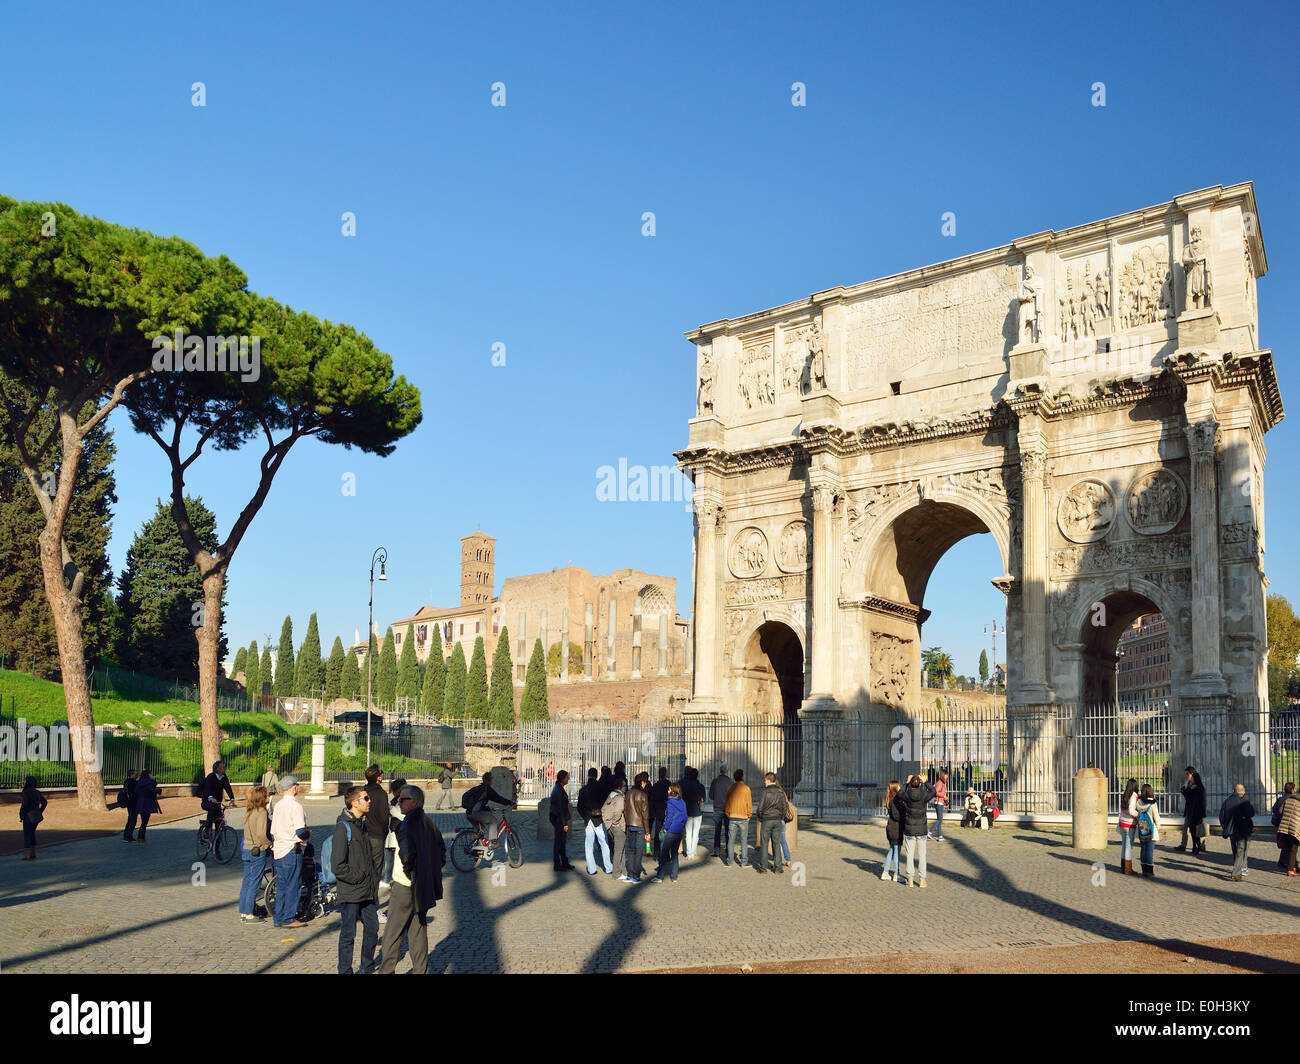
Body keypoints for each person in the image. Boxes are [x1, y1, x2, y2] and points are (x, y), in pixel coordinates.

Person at [378, 785, 446, 974]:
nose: (398, 802)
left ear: (414, 802)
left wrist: (412, 875)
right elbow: (441, 854)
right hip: (421, 886)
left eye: (402, 799)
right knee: (417, 933)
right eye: (398, 799)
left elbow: (407, 857)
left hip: (405, 886)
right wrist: (425, 875)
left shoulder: (407, 824)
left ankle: (386, 971)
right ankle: (420, 971)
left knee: (392, 933)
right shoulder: (429, 822)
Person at [333, 785, 381, 974]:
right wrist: (358, 877)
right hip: (351, 890)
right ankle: (345, 970)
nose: (370, 801)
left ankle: (367, 967)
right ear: (355, 803)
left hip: (367, 890)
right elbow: (338, 865)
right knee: (348, 934)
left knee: (372, 928)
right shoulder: (343, 828)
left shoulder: (363, 824)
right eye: (366, 798)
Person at [269, 775, 310, 928]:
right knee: (293, 885)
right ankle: (289, 918)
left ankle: (279, 917)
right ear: (293, 788)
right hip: (292, 849)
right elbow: (300, 831)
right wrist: (308, 834)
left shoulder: (278, 805)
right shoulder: (295, 806)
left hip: (279, 849)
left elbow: (273, 829)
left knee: (281, 886)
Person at [239, 785, 272, 922]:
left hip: (246, 849)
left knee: (247, 881)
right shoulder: (262, 812)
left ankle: (243, 910)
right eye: (266, 796)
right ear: (262, 798)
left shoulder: (250, 811)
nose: (268, 798)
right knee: (254, 882)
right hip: (257, 851)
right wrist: (269, 844)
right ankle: (249, 913)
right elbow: (261, 834)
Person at [900, 773, 935, 888]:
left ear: (911, 784)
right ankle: (922, 880)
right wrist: (926, 781)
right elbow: (934, 791)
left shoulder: (907, 794)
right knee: (922, 855)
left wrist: (906, 782)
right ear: (920, 784)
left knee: (909, 855)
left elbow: (899, 793)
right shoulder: (924, 794)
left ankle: (910, 879)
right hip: (921, 827)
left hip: (910, 827)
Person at [577, 768, 612, 875]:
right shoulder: (600, 788)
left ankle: (592, 869)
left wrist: (585, 816)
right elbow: (606, 803)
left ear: (588, 776)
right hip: (599, 819)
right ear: (596, 775)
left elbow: (579, 807)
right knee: (604, 843)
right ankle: (608, 867)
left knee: (588, 844)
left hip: (587, 819)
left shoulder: (583, 790)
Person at [462, 771, 514, 840]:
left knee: (480, 830)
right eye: (492, 779)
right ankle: (492, 841)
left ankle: (477, 847)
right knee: (493, 821)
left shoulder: (479, 788)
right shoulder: (487, 789)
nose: (493, 781)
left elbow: (478, 803)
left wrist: (487, 809)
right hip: (475, 813)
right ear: (489, 780)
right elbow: (498, 798)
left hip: (468, 814)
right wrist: (510, 802)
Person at [1220, 783, 1256, 882]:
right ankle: (1236, 873)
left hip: (1231, 830)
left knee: (1235, 851)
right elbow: (1251, 813)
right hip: (1241, 830)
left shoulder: (1227, 801)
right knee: (1240, 851)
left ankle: (1238, 871)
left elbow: (1221, 816)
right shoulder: (1244, 801)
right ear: (1243, 792)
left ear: (1233, 791)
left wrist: (1225, 827)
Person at [653, 783, 688, 883]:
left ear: (672, 791)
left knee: (663, 854)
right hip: (679, 831)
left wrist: (665, 828)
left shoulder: (670, 802)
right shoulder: (682, 802)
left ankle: (660, 877)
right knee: (675, 854)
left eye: (669, 789)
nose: (667, 791)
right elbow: (685, 817)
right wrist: (681, 825)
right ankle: (674, 876)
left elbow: (669, 818)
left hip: (671, 831)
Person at [755, 772, 787, 874]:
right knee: (776, 844)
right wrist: (780, 817)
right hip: (777, 820)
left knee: (764, 844)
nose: (764, 782)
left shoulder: (765, 792)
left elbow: (760, 808)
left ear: (769, 780)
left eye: (765, 780)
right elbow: (784, 808)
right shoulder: (780, 792)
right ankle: (778, 868)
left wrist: (761, 818)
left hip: (767, 820)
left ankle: (763, 868)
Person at [363, 765, 390, 885]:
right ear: (378, 778)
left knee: (363, 865)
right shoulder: (381, 794)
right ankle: (373, 898)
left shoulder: (362, 792)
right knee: (376, 868)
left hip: (362, 834)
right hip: (377, 834)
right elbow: (384, 818)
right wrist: (384, 833)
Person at [624, 772, 651, 881]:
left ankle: (630, 874)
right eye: (645, 782)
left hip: (630, 825)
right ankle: (636, 875)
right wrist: (647, 831)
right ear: (642, 782)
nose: (646, 784)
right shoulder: (643, 795)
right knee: (638, 851)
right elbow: (645, 815)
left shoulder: (628, 793)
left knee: (630, 850)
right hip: (640, 826)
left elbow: (625, 810)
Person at [724, 769, 752, 869]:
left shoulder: (730, 788)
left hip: (732, 816)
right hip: (743, 817)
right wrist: (749, 815)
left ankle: (730, 861)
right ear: (742, 776)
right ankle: (744, 862)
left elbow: (727, 803)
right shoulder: (746, 788)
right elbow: (749, 804)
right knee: (744, 840)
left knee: (731, 840)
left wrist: (728, 813)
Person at [603, 776, 630, 881]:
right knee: (619, 850)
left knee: (620, 849)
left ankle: (623, 871)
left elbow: (604, 809)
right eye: (624, 786)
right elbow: (618, 811)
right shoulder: (619, 797)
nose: (626, 787)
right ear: (620, 786)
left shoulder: (611, 795)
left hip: (610, 825)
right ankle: (616, 873)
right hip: (618, 826)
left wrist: (608, 823)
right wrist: (614, 822)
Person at [1177, 766, 1207, 855]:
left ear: (1192, 774)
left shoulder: (1199, 787)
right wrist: (1184, 792)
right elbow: (1188, 797)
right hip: (1189, 811)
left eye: (1187, 774)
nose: (1186, 776)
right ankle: (1186, 845)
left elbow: (1202, 801)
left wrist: (1203, 812)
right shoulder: (1189, 784)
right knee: (1188, 828)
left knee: (1198, 829)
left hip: (1197, 812)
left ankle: (1200, 845)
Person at [550, 769, 575, 871]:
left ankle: (563, 861)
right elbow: (561, 808)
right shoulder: (559, 790)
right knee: (559, 842)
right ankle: (557, 863)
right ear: (563, 778)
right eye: (567, 777)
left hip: (557, 818)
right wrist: (564, 823)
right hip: (559, 819)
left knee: (561, 841)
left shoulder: (558, 788)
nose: (568, 779)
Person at [1135, 783, 1162, 877]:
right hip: (1151, 831)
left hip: (1142, 830)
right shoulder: (1153, 803)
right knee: (1150, 851)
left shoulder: (1138, 802)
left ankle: (1144, 869)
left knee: (1143, 849)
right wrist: (1158, 827)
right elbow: (1157, 818)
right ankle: (1149, 871)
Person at [199, 760, 234, 830]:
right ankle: (206, 830)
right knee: (212, 809)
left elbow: (228, 788)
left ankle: (217, 841)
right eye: (223, 767)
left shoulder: (224, 777)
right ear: (218, 769)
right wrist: (211, 798)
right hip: (207, 802)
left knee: (219, 822)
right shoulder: (211, 777)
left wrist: (232, 799)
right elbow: (207, 789)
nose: (225, 769)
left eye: (225, 767)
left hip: (217, 803)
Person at [681, 767, 707, 859]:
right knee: (695, 833)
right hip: (697, 812)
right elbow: (703, 799)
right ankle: (693, 852)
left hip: (687, 811)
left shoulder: (685, 786)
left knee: (688, 833)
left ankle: (688, 853)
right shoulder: (700, 786)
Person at [18, 776, 46, 860]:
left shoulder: (26, 792)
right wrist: (39, 811)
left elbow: (24, 805)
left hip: (28, 815)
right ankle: (33, 853)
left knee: (27, 834)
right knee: (32, 833)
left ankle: (27, 855)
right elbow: (44, 802)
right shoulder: (37, 792)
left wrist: (21, 814)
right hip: (36, 816)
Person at [1276, 784, 1300, 875]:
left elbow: (1280, 811)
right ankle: (1291, 869)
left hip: (1285, 826)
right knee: (1294, 848)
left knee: (1291, 847)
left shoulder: (1288, 799)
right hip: (1296, 827)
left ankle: (1294, 867)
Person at [1117, 777, 1140, 875]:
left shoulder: (1125, 795)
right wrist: (1138, 814)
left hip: (1122, 822)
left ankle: (1123, 866)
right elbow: (1131, 811)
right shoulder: (1134, 796)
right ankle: (1128, 869)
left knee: (1124, 846)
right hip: (1129, 824)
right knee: (1128, 846)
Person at [882, 780, 902, 881]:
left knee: (892, 850)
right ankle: (896, 873)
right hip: (895, 828)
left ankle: (885, 872)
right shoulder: (895, 800)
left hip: (890, 827)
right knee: (897, 851)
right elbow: (896, 815)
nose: (900, 787)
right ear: (895, 788)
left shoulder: (890, 799)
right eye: (898, 786)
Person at [709, 764, 731, 858]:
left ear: (720, 770)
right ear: (726, 771)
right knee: (728, 830)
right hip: (727, 808)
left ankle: (717, 851)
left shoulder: (715, 781)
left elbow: (711, 795)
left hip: (717, 808)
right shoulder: (730, 782)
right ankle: (728, 850)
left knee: (717, 831)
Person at [649, 767, 670, 855]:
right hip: (666, 809)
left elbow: (653, 799)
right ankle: (666, 852)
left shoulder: (656, 785)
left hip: (658, 810)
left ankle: (657, 851)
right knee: (667, 831)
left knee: (657, 831)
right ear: (665, 774)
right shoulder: (668, 784)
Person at [135, 770, 160, 843]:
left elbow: (136, 793)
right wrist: (158, 790)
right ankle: (141, 838)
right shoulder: (149, 783)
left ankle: (140, 838)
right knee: (144, 822)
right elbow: (152, 791)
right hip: (147, 803)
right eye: (151, 774)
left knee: (143, 822)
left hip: (141, 803)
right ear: (148, 775)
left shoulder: (139, 782)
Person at [929, 767, 949, 842]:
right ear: (943, 775)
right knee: (940, 819)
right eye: (946, 775)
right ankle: (930, 832)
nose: (947, 776)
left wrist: (944, 802)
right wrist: (943, 795)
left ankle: (940, 836)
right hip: (938, 803)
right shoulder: (940, 782)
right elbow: (936, 792)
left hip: (940, 802)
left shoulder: (943, 782)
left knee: (939, 820)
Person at [120, 768, 139, 842]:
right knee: (133, 820)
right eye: (135, 773)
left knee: (130, 819)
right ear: (131, 774)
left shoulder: (126, 782)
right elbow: (133, 793)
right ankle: (128, 836)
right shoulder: (133, 782)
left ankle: (127, 835)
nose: (136, 774)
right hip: (133, 803)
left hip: (128, 803)